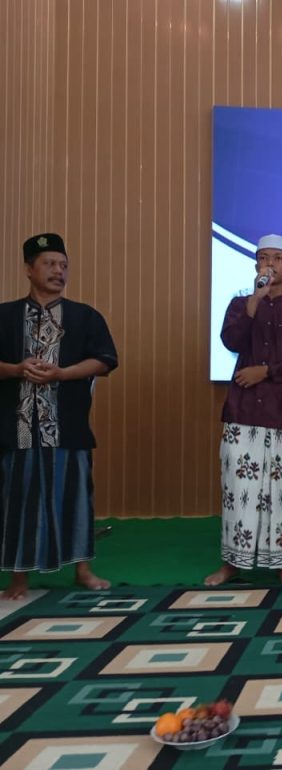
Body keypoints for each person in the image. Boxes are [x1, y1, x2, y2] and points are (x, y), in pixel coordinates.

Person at [0, 234, 118, 600]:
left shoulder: (85, 316)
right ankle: (18, 579)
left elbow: (105, 361)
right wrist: (16, 369)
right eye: (49, 264)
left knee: (75, 499)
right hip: (16, 430)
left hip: (68, 428)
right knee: (17, 501)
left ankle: (83, 571)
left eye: (63, 265)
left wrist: (63, 374)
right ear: (28, 269)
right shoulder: (4, 315)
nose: (58, 271)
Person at [205, 235, 282, 587]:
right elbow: (231, 341)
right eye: (264, 258)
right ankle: (233, 562)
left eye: (278, 258)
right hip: (243, 412)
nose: (270, 264)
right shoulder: (240, 304)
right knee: (238, 489)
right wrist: (254, 301)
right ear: (256, 264)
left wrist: (268, 371)